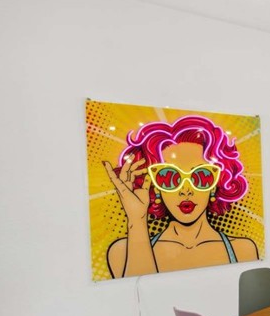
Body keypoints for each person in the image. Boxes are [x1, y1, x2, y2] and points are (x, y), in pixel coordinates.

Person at [103, 115, 259, 277]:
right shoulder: (121, 252)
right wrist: (137, 221)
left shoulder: (243, 249)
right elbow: (139, 296)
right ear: (155, 187)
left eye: (201, 176)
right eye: (169, 177)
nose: (186, 190)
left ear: (216, 184)